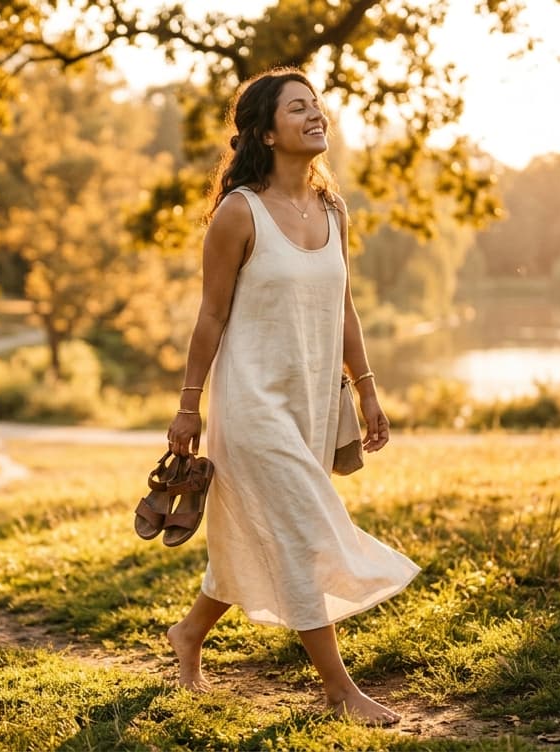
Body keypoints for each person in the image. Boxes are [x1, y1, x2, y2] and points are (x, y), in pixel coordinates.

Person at [161, 68, 421, 725]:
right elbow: (209, 319)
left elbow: (344, 310)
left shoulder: (332, 209)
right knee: (304, 532)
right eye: (298, 108)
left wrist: (368, 392)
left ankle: (190, 633)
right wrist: (188, 406)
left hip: (308, 403)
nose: (316, 115)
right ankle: (339, 690)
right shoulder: (238, 212)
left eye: (317, 106)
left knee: (263, 531)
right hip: (251, 406)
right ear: (266, 132)